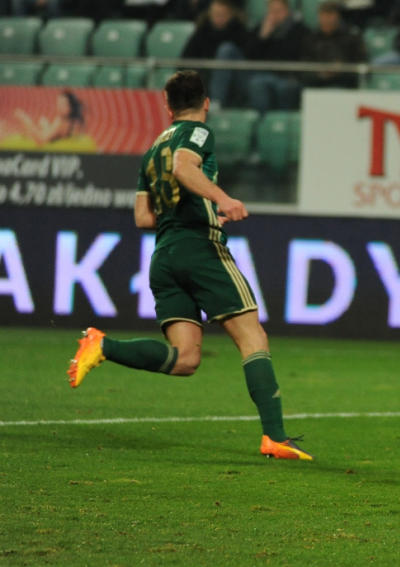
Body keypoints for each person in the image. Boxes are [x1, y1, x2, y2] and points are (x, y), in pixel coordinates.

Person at [66, 70, 312, 461]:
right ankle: (275, 437)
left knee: (185, 359)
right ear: (206, 103)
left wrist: (206, 209)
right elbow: (184, 167)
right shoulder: (198, 133)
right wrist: (223, 200)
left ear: (167, 106)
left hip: (164, 255)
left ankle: (103, 345)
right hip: (199, 249)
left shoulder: (150, 153)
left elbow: (143, 218)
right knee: (252, 338)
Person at [210, 0, 309, 110]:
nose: (275, 15)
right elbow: (248, 55)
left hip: (284, 77)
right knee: (227, 49)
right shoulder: (260, 29)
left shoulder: (299, 30)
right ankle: (217, 102)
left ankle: (263, 122)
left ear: (288, 12)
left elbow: (292, 56)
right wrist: (262, 37)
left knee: (259, 83)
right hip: (255, 74)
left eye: (279, 11)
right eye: (272, 11)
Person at [303, 1, 366, 89]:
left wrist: (341, 68)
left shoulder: (351, 37)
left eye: (330, 15)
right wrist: (319, 73)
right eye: (324, 15)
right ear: (319, 16)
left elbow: (360, 61)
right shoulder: (311, 38)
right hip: (316, 84)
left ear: (337, 16)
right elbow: (304, 64)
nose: (327, 20)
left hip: (344, 83)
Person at [181, 0, 250, 60]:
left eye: (223, 15)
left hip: (233, 73)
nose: (219, 18)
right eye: (216, 14)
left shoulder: (239, 32)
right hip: (205, 72)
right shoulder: (202, 31)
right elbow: (186, 58)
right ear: (210, 14)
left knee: (226, 49)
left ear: (231, 15)